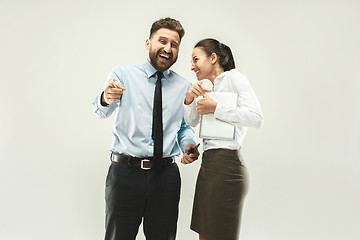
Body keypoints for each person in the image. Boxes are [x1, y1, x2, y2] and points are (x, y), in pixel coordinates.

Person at [92, 17, 199, 240]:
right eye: (162, 41)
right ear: (148, 43)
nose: (168, 48)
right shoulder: (123, 74)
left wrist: (189, 145)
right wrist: (105, 97)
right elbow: (101, 110)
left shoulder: (183, 87)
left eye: (174, 44)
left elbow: (183, 127)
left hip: (166, 177)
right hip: (125, 174)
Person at [182, 38, 263, 240]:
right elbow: (191, 121)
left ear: (213, 58)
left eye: (195, 59)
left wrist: (216, 108)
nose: (192, 66)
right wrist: (189, 98)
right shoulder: (207, 87)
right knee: (205, 236)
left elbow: (256, 118)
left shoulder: (234, 78)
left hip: (227, 167)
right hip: (209, 166)